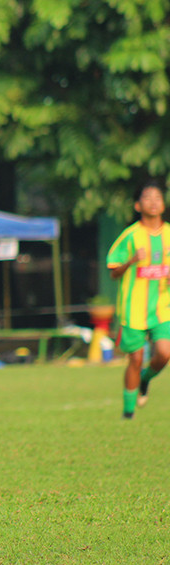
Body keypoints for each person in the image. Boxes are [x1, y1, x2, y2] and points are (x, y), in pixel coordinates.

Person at [106, 178, 170, 419]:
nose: (153, 203)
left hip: (163, 307)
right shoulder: (130, 236)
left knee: (164, 353)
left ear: (163, 204)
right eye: (147, 198)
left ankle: (146, 379)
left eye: (158, 198)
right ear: (137, 205)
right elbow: (113, 272)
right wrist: (131, 261)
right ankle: (128, 412)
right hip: (133, 309)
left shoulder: (169, 235)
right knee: (135, 358)